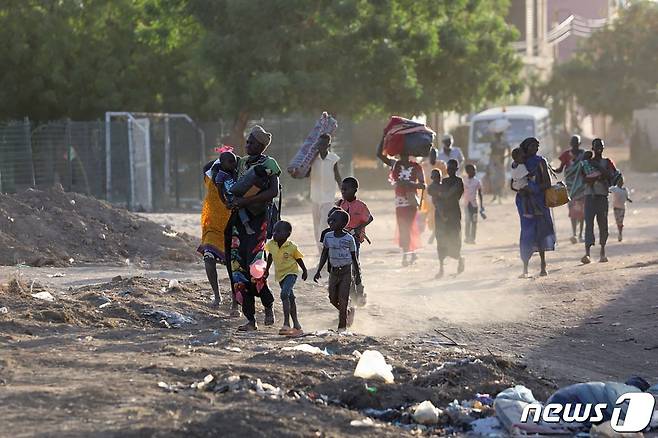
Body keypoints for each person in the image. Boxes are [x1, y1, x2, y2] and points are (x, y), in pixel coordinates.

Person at [226, 125, 281, 332]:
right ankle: (250, 319)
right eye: (247, 142)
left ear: (261, 145)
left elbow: (273, 192)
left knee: (256, 269)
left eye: (251, 142)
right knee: (238, 269)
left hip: (259, 221)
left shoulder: (269, 164)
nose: (247, 145)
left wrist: (246, 201)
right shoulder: (240, 163)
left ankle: (268, 305)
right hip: (239, 222)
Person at [377, 144, 426, 266]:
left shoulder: (416, 167)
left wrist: (409, 184)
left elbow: (423, 185)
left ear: (409, 154)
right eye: (401, 153)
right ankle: (408, 255)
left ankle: (409, 255)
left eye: (405, 153)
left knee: (408, 227)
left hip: (411, 200)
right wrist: (384, 135)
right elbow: (379, 155)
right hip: (400, 201)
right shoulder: (395, 165)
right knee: (403, 228)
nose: (402, 156)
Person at [513, 137, 556, 277]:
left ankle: (543, 266)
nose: (535, 149)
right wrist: (522, 189)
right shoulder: (519, 162)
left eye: (537, 146)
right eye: (532, 146)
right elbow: (513, 183)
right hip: (524, 203)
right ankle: (525, 268)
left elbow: (547, 184)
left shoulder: (541, 162)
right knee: (526, 233)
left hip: (539, 201)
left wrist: (533, 188)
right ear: (526, 147)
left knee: (541, 232)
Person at [314, 209, 361, 332]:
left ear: (343, 223)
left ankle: (342, 327)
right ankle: (346, 311)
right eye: (330, 219)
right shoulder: (328, 236)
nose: (330, 222)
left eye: (334, 220)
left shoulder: (349, 239)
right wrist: (318, 270)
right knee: (332, 298)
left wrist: (357, 275)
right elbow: (324, 254)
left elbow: (354, 258)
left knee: (343, 299)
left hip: (346, 271)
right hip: (334, 272)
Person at [198, 151, 232, 309]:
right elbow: (207, 166)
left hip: (232, 227)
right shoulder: (210, 178)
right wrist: (221, 159)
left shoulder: (233, 182)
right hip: (212, 228)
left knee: (234, 267)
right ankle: (217, 296)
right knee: (208, 258)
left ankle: (236, 302)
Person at [264, 221, 308, 337]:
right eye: (274, 231)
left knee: (284, 294)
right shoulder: (272, 245)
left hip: (291, 273)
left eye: (278, 231)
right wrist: (267, 270)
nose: (274, 234)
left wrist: (304, 270)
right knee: (290, 298)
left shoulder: (292, 247)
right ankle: (297, 325)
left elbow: (298, 259)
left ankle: (286, 324)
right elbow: (270, 257)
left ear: (287, 234)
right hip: (280, 275)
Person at [581, 138, 618, 264]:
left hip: (602, 196)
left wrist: (600, 172)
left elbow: (613, 176)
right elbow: (582, 178)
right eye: (597, 146)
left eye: (601, 146)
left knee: (603, 225)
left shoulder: (607, 162)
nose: (599, 148)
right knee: (589, 225)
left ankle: (602, 251)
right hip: (589, 197)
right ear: (592, 148)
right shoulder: (586, 162)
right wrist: (597, 177)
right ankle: (587, 253)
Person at [429, 160, 465, 278]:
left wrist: (440, 194)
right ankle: (441, 269)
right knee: (441, 240)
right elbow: (432, 191)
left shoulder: (458, 181)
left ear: (456, 169)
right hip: (441, 215)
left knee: (454, 238)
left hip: (454, 213)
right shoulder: (443, 181)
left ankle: (460, 259)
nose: (450, 170)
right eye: (449, 168)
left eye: (453, 168)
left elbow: (448, 194)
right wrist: (440, 195)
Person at [309, 133, 341, 253]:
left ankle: (324, 248)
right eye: (319, 144)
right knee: (316, 224)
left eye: (323, 144)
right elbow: (305, 173)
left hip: (328, 197)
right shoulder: (312, 159)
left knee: (324, 223)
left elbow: (337, 175)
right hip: (315, 196)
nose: (321, 146)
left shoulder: (333, 159)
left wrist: (343, 190)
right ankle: (319, 249)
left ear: (328, 145)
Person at [554, 135, 586, 244]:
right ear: (571, 144)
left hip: (582, 186)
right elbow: (559, 169)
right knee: (573, 210)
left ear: (579, 144)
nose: (575, 145)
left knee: (582, 211)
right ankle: (574, 234)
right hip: (571, 187)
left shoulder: (584, 154)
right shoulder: (566, 155)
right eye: (573, 143)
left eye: (576, 143)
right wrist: (549, 168)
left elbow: (587, 168)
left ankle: (581, 234)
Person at [510, 147, 542, 217]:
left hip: (516, 184)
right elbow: (528, 175)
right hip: (521, 184)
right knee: (530, 194)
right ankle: (534, 209)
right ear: (517, 158)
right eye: (522, 157)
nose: (524, 159)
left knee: (525, 196)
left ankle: (526, 211)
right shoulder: (521, 166)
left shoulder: (513, 165)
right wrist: (536, 170)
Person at [463, 163, 484, 244]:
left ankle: (472, 238)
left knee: (474, 221)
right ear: (468, 171)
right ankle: (467, 237)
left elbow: (480, 193)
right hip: (466, 204)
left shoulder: (477, 181)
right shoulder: (464, 181)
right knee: (467, 221)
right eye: (473, 170)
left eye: (475, 170)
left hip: (474, 205)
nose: (475, 171)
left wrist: (481, 205)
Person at [488, 131, 510, 203]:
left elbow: (509, 152)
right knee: (494, 179)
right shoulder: (493, 143)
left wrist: (504, 157)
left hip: (502, 162)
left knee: (502, 179)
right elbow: (491, 153)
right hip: (495, 161)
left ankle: (501, 195)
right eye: (497, 136)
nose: (498, 137)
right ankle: (495, 196)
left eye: (499, 136)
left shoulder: (505, 143)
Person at [609, 176, 632, 242]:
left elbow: (626, 197)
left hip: (622, 208)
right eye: (619, 181)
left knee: (620, 221)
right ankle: (619, 232)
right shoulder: (614, 189)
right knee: (617, 221)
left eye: (621, 182)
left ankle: (620, 233)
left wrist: (629, 200)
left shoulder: (625, 190)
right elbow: (608, 191)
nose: (620, 183)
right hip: (616, 208)